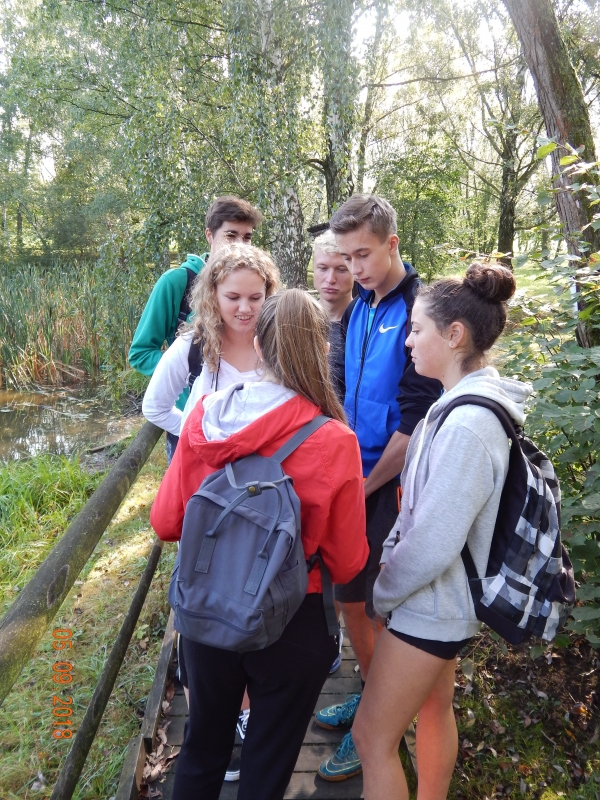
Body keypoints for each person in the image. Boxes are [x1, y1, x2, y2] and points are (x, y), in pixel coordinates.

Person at [150, 289, 369, 800]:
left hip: (206, 617)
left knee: (202, 749)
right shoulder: (335, 439)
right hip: (294, 620)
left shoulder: (204, 417)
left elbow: (165, 522)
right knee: (268, 767)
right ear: (321, 348)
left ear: (260, 343)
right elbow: (347, 559)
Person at [352, 262, 530, 799]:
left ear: (454, 336)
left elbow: (433, 541)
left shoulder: (471, 425)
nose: (407, 343)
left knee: (370, 737)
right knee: (435, 707)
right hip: (437, 603)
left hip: (432, 607)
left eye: (416, 330)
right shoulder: (448, 408)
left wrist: (380, 594)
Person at [316, 195, 442, 781]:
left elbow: (413, 425)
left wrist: (362, 485)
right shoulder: (361, 305)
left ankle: (382, 719)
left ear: (392, 244)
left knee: (377, 604)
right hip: (354, 475)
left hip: (386, 486)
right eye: (344, 256)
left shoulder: (419, 309)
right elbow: (343, 388)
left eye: (362, 255)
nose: (352, 269)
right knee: (348, 598)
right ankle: (370, 691)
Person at [130, 195, 263, 461]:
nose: (240, 244)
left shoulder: (254, 284)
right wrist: (188, 374)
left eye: (247, 238)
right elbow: (141, 352)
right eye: (231, 235)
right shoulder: (177, 282)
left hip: (243, 434)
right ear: (210, 236)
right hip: (189, 428)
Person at [312, 229, 355, 401]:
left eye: (341, 270)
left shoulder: (366, 324)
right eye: (323, 268)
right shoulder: (296, 319)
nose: (330, 279)